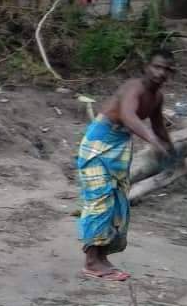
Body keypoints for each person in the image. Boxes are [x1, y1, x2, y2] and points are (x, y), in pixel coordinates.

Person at [76, 50, 180, 281]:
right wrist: (153, 141)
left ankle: (100, 257)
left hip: (120, 145)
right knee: (100, 199)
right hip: (99, 143)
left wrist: (171, 150)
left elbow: (159, 125)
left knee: (116, 202)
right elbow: (128, 116)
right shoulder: (134, 88)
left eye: (166, 70)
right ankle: (92, 263)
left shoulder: (157, 97)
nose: (160, 73)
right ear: (147, 66)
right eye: (157, 67)